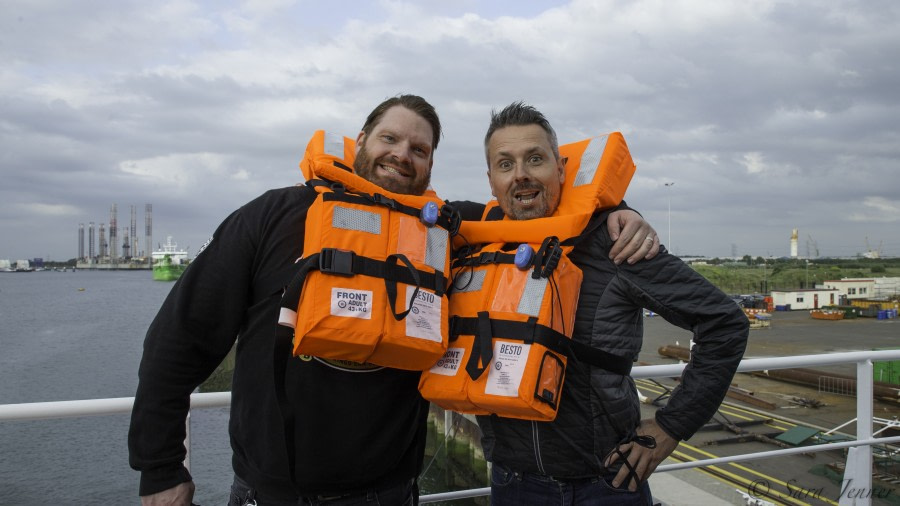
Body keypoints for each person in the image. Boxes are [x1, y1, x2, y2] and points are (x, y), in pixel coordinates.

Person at [127, 94, 658, 506]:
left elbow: (532, 202)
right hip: (270, 492)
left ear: (430, 165)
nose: (401, 155)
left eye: (419, 150)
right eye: (390, 138)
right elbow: (180, 340)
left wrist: (620, 210)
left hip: (390, 492)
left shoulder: (448, 231)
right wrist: (161, 467)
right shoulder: (273, 217)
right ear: (360, 140)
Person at [473, 102, 750, 505]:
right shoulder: (474, 245)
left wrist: (671, 427)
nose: (521, 175)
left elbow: (724, 323)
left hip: (604, 485)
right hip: (513, 485)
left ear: (562, 169)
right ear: (491, 181)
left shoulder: (617, 243)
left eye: (535, 159)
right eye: (505, 164)